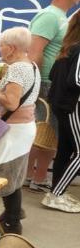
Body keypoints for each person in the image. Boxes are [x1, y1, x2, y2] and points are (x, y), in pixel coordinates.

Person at [0, 27, 42, 233]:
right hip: (19, 128)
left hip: (14, 131)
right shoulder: (31, 66)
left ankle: (12, 221)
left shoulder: (18, 69)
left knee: (3, 176)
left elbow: (11, 103)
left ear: (11, 48)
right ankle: (11, 215)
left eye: (0, 45)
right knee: (9, 173)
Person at [27, 0, 80, 192]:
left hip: (53, 83)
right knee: (45, 134)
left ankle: (36, 177)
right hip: (47, 83)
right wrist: (37, 85)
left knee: (48, 135)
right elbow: (35, 52)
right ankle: (33, 176)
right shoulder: (49, 16)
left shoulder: (61, 17)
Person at [42, 12, 80, 213]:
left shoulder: (67, 49)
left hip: (62, 106)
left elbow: (53, 75)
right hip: (73, 106)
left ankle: (57, 193)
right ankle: (56, 193)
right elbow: (76, 80)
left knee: (65, 151)